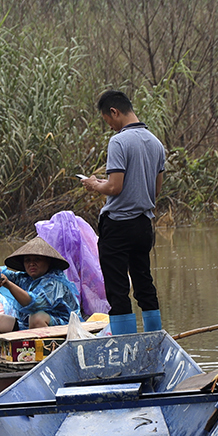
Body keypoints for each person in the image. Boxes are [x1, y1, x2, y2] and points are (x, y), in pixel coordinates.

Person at [79, 90, 166, 334]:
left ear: (114, 112)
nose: (110, 128)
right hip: (143, 225)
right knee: (144, 283)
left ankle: (125, 343)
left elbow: (114, 187)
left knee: (117, 289)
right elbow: (156, 191)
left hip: (118, 225)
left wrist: (94, 184)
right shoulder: (156, 143)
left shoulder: (119, 141)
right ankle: (155, 337)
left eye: (108, 121)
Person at [0, 222, 80, 333]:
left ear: (48, 262)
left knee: (37, 318)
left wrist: (8, 284)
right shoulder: (24, 278)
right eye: (28, 260)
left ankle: (40, 350)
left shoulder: (54, 283)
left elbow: (32, 303)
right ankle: (14, 350)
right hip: (29, 325)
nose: (31, 264)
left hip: (64, 327)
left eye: (37, 259)